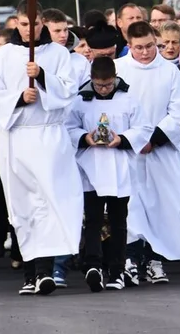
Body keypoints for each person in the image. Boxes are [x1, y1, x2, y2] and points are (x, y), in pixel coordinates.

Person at [0, 2, 82, 296]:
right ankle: (28, 272)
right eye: (25, 24)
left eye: (35, 24)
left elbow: (68, 90)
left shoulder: (59, 54)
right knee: (22, 206)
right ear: (17, 24)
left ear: (43, 24)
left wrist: (43, 76)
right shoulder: (3, 56)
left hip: (49, 136)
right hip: (16, 136)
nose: (30, 29)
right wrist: (18, 98)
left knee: (49, 204)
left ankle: (45, 272)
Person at [116, 21, 180, 285]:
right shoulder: (119, 71)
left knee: (164, 205)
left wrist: (155, 138)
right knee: (131, 207)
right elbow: (111, 108)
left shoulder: (170, 72)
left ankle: (155, 260)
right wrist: (131, 139)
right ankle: (129, 259)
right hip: (128, 152)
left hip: (161, 150)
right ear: (129, 46)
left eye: (151, 46)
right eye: (138, 47)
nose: (145, 52)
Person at [66, 56, 150, 291]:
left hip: (119, 166)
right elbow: (68, 128)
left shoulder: (129, 100)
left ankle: (117, 270)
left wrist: (122, 139)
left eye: (108, 85)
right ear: (91, 80)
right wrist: (85, 138)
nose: (104, 89)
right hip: (91, 167)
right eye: (99, 85)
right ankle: (93, 265)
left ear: (115, 79)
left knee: (118, 221)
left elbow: (143, 128)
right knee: (92, 219)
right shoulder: (80, 101)